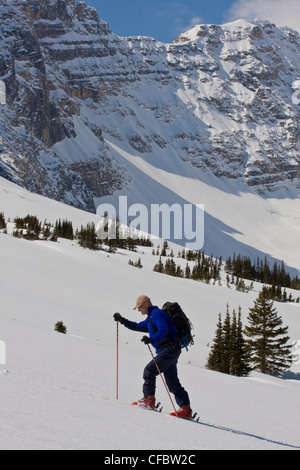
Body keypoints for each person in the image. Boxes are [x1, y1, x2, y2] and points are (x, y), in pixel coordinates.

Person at [113, 295, 192, 419]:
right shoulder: (150, 318)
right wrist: (122, 320)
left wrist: (152, 339)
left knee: (149, 370)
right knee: (172, 382)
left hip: (169, 348)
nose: (139, 310)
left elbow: (164, 330)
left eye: (139, 307)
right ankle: (186, 409)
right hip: (171, 349)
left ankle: (149, 400)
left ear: (145, 303)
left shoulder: (157, 314)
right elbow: (138, 326)